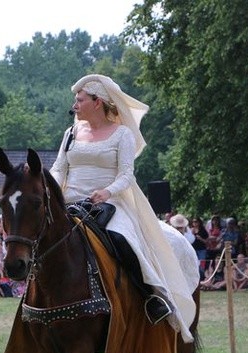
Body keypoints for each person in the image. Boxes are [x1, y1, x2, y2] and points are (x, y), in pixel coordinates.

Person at [48, 74, 198, 336]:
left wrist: (106, 192)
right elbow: (59, 168)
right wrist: (50, 189)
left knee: (123, 240)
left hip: (110, 204)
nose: (75, 105)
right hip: (70, 203)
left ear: (98, 102)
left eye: (80, 100)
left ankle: (151, 298)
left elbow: (126, 175)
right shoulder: (70, 133)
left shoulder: (122, 134)